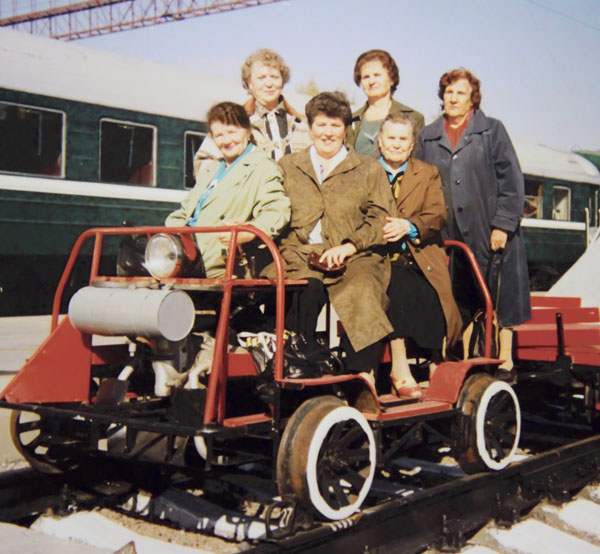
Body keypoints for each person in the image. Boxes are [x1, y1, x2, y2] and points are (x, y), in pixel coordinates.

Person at [275, 91, 395, 384]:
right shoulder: (288, 166)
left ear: (346, 129)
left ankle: (362, 377)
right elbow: (273, 208)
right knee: (305, 288)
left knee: (362, 288)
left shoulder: (368, 169)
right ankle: (294, 368)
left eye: (335, 125)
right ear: (310, 127)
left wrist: (350, 246)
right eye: (321, 125)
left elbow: (381, 217)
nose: (327, 133)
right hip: (300, 255)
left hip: (355, 256)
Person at [416, 69, 531, 375]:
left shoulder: (492, 130)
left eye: (461, 93)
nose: (453, 98)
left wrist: (503, 224)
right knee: (461, 295)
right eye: (449, 92)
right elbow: (420, 183)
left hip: (489, 227)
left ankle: (505, 356)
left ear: (472, 99)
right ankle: (465, 357)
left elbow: (512, 180)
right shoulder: (428, 136)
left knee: (499, 293)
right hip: (449, 232)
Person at [378, 113, 462, 398]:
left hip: (419, 252)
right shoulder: (366, 171)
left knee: (433, 292)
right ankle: (399, 367)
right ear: (380, 141)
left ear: (412, 144)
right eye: (391, 138)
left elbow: (437, 213)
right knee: (399, 287)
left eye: (403, 139)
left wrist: (409, 226)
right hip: (380, 256)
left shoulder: (427, 173)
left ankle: (436, 362)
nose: (396, 144)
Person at [167, 101, 290, 278]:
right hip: (186, 256)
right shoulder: (211, 170)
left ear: (247, 131)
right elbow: (185, 211)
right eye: (219, 135)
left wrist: (250, 231)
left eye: (232, 132)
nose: (226, 141)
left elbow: (277, 209)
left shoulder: (262, 167)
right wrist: (173, 233)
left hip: (221, 263)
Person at [194, 49, 310, 172]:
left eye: (275, 77)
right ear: (249, 83)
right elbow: (203, 163)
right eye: (261, 78)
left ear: (282, 81)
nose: (269, 83)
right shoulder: (234, 121)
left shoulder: (302, 125)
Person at [347, 49, 424, 157]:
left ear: (391, 79)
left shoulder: (413, 118)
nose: (371, 81)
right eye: (366, 77)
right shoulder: (351, 121)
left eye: (377, 75)